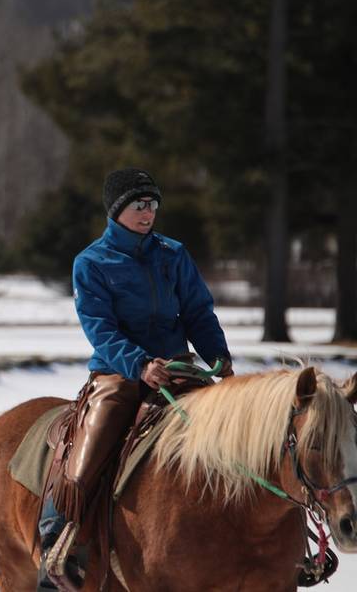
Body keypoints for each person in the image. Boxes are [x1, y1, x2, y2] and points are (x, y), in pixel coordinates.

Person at [37, 168, 232, 590]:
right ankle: (58, 533)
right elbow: (99, 328)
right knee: (96, 436)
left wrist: (217, 354)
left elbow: (198, 310)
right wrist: (139, 363)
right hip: (118, 371)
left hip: (177, 368)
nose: (148, 213)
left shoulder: (173, 254)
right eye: (138, 205)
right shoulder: (90, 262)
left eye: (153, 205)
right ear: (117, 210)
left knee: (230, 432)